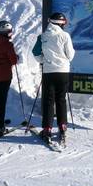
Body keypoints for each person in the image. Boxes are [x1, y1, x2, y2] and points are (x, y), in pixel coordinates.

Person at [34, 12, 75, 144]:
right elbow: (70, 55)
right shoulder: (65, 36)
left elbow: (36, 52)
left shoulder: (42, 36)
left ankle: (47, 129)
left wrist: (43, 60)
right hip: (62, 72)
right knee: (61, 99)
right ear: (61, 24)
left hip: (48, 72)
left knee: (48, 101)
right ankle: (62, 127)